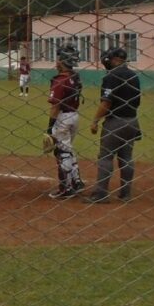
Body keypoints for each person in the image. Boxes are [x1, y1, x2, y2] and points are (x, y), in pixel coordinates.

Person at [85, 48, 142, 203]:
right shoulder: (134, 75)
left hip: (115, 121)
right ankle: (125, 194)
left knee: (106, 157)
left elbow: (106, 102)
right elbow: (137, 102)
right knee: (126, 158)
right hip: (132, 121)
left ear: (115, 59)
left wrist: (95, 120)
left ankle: (101, 195)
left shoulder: (111, 76)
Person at [46, 45, 85, 199]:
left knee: (61, 152)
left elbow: (55, 106)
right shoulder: (75, 77)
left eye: (58, 60)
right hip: (74, 116)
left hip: (62, 118)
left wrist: (49, 128)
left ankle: (66, 188)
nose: (56, 63)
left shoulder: (60, 81)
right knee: (68, 149)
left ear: (62, 62)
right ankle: (76, 181)